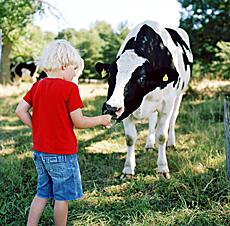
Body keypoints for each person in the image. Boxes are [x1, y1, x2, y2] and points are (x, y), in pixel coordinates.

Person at [15, 39, 112, 226]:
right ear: (63, 66)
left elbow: (20, 110)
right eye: (74, 69)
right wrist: (101, 120)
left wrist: (37, 127)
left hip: (40, 152)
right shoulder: (70, 89)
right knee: (61, 198)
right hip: (62, 154)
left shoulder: (37, 86)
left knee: (42, 193)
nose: (75, 73)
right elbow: (80, 122)